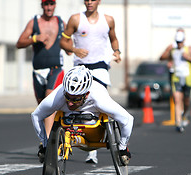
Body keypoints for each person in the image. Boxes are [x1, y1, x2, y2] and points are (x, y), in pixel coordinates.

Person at [59, 0, 121, 163]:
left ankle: (93, 149)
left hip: (100, 67)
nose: (89, 2)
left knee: (99, 103)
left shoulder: (108, 20)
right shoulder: (75, 19)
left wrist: (117, 52)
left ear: (99, 1)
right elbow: (63, 41)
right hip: (80, 68)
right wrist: (74, 49)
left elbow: (113, 38)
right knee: (76, 104)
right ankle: (69, 139)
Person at [31, 66, 133, 165]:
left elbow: (128, 119)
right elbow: (36, 115)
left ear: (87, 95)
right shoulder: (58, 96)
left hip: (95, 130)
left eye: (75, 99)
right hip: (70, 123)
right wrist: (45, 145)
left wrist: (122, 147)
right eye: (67, 97)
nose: (70, 103)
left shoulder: (100, 99)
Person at [16, 0, 70, 146]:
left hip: (56, 69)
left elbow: (69, 46)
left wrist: (70, 47)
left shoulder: (61, 23)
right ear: (42, 6)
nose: (49, 8)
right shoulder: (34, 22)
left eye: (51, 4)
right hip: (38, 71)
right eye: (46, 4)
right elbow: (19, 43)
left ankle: (48, 144)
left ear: (55, 5)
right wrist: (34, 38)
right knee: (42, 108)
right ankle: (53, 137)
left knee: (49, 99)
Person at [160, 31, 191, 132]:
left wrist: (189, 58)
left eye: (180, 42)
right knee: (177, 100)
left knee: (186, 101)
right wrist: (169, 61)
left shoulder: (189, 49)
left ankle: (185, 114)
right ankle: (178, 122)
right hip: (176, 77)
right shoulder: (172, 50)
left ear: (184, 41)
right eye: (177, 42)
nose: (179, 44)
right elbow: (162, 57)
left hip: (187, 78)